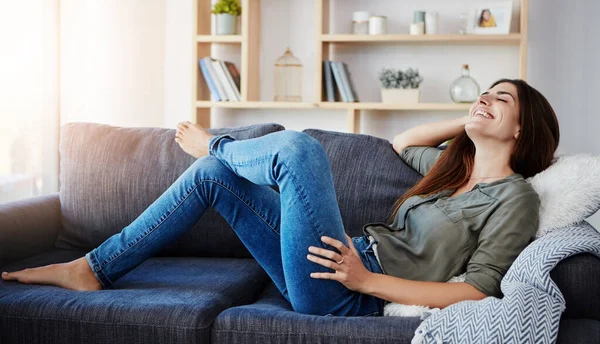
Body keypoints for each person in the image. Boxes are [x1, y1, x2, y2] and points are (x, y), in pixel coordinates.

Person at [1, 79, 559, 317]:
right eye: (483, 93)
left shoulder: (516, 200)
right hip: (336, 258)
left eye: (500, 99)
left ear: (522, 129)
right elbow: (402, 141)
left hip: (346, 289)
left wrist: (367, 282)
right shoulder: (447, 169)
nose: (485, 98)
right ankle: (93, 268)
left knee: (299, 149)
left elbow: (480, 291)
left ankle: (215, 145)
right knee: (215, 177)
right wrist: (468, 118)